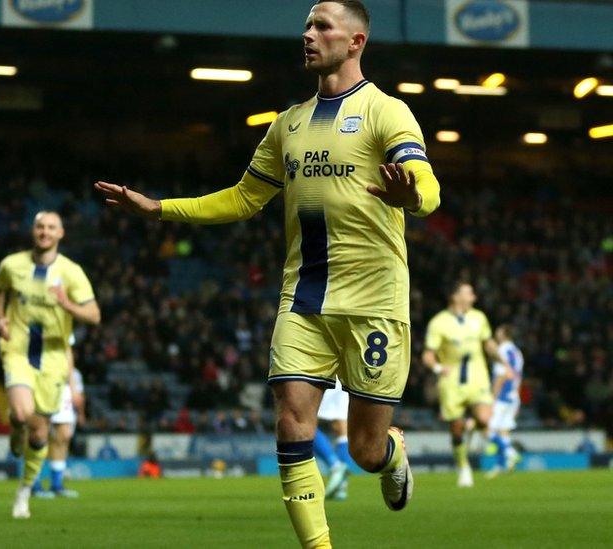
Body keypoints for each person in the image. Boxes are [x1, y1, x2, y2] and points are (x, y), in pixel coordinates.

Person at [95, 1, 440, 544]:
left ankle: (392, 452)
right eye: (306, 24)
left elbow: (429, 186)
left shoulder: (386, 112)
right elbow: (241, 198)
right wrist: (159, 209)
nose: (308, 34)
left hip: (374, 300)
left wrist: (412, 193)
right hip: (302, 299)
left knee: (364, 451)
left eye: (321, 25)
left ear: (355, 43)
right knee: (290, 421)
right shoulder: (287, 125)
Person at [0, 211, 100, 519]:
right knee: (22, 413)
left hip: (53, 358)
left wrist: (66, 304)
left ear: (61, 233)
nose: (45, 232)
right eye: (40, 226)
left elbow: (94, 315)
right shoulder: (12, 265)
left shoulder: (71, 272)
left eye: (51, 227)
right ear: (33, 230)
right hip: (18, 350)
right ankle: (15, 425)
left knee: (39, 435)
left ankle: (24, 492)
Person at [422, 281, 500, 488]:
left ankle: (472, 428)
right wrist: (438, 369)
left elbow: (488, 343)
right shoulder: (439, 323)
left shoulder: (479, 317)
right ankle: (463, 467)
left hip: (478, 377)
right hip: (451, 382)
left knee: (484, 418)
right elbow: (428, 355)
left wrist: (502, 360)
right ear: (455, 297)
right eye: (469, 293)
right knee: (456, 428)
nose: (473, 297)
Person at [32, 350, 86, 499]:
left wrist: (72, 386)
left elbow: (68, 351)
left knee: (64, 435)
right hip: (41, 379)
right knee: (39, 433)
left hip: (62, 384)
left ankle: (57, 484)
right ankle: (33, 483)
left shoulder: (65, 328)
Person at [486, 324, 523, 477]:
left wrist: (493, 397)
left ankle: (510, 452)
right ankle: (501, 465)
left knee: (487, 429)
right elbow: (518, 376)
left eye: (498, 331)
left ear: (504, 334)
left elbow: (502, 375)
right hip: (513, 396)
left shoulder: (502, 350)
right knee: (503, 431)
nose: (496, 333)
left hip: (501, 396)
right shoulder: (517, 352)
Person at [314, 379, 349, 500]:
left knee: (306, 421)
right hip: (344, 375)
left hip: (324, 372)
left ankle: (335, 465)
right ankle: (341, 485)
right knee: (341, 427)